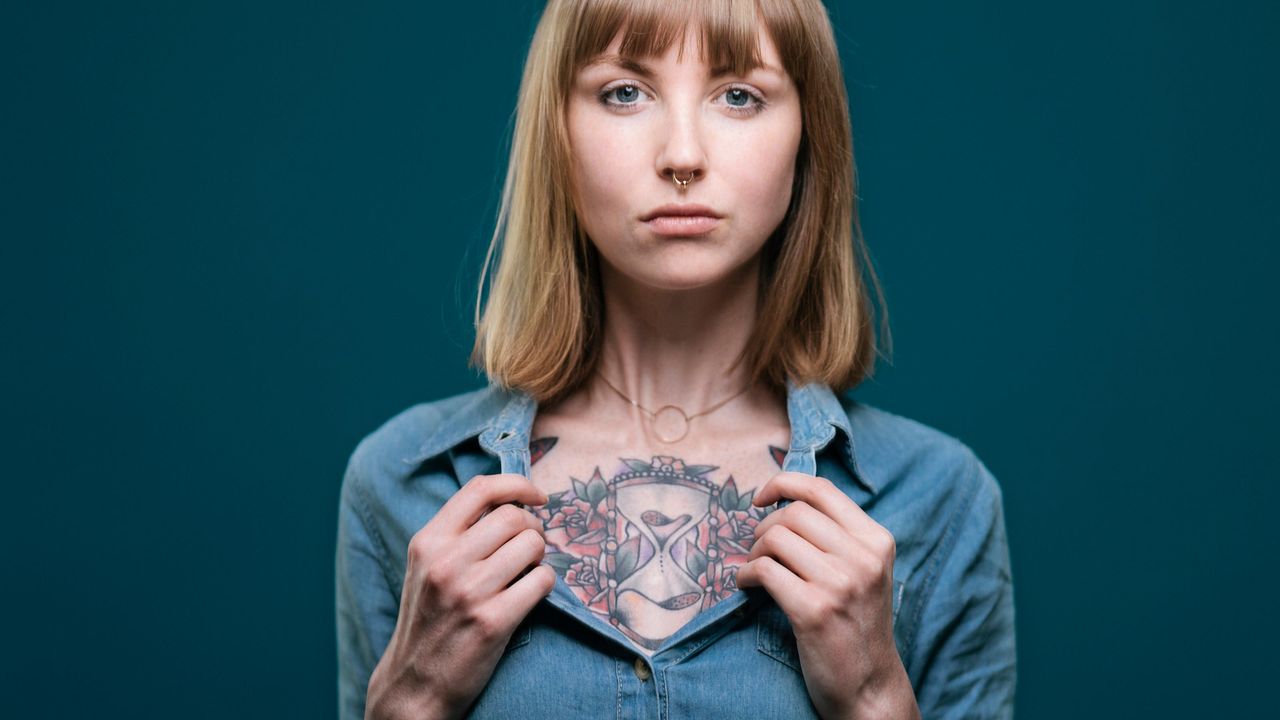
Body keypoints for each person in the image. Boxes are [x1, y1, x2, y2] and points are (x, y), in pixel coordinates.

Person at [335, 1, 1016, 718]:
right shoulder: (403, 485)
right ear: (556, 131)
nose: (682, 156)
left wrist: (876, 698)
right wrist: (410, 699)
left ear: (807, 137)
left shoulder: (942, 502)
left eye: (739, 96)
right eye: (625, 92)